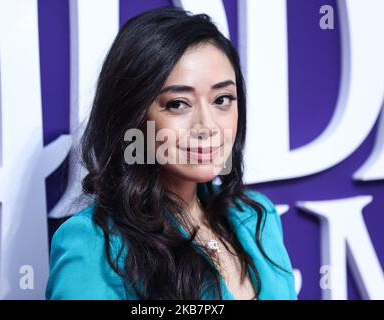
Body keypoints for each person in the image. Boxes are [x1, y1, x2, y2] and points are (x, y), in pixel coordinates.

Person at [46, 6, 297, 300]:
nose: (207, 126)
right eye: (178, 104)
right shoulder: (93, 243)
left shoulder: (257, 216)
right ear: (134, 116)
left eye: (222, 99)